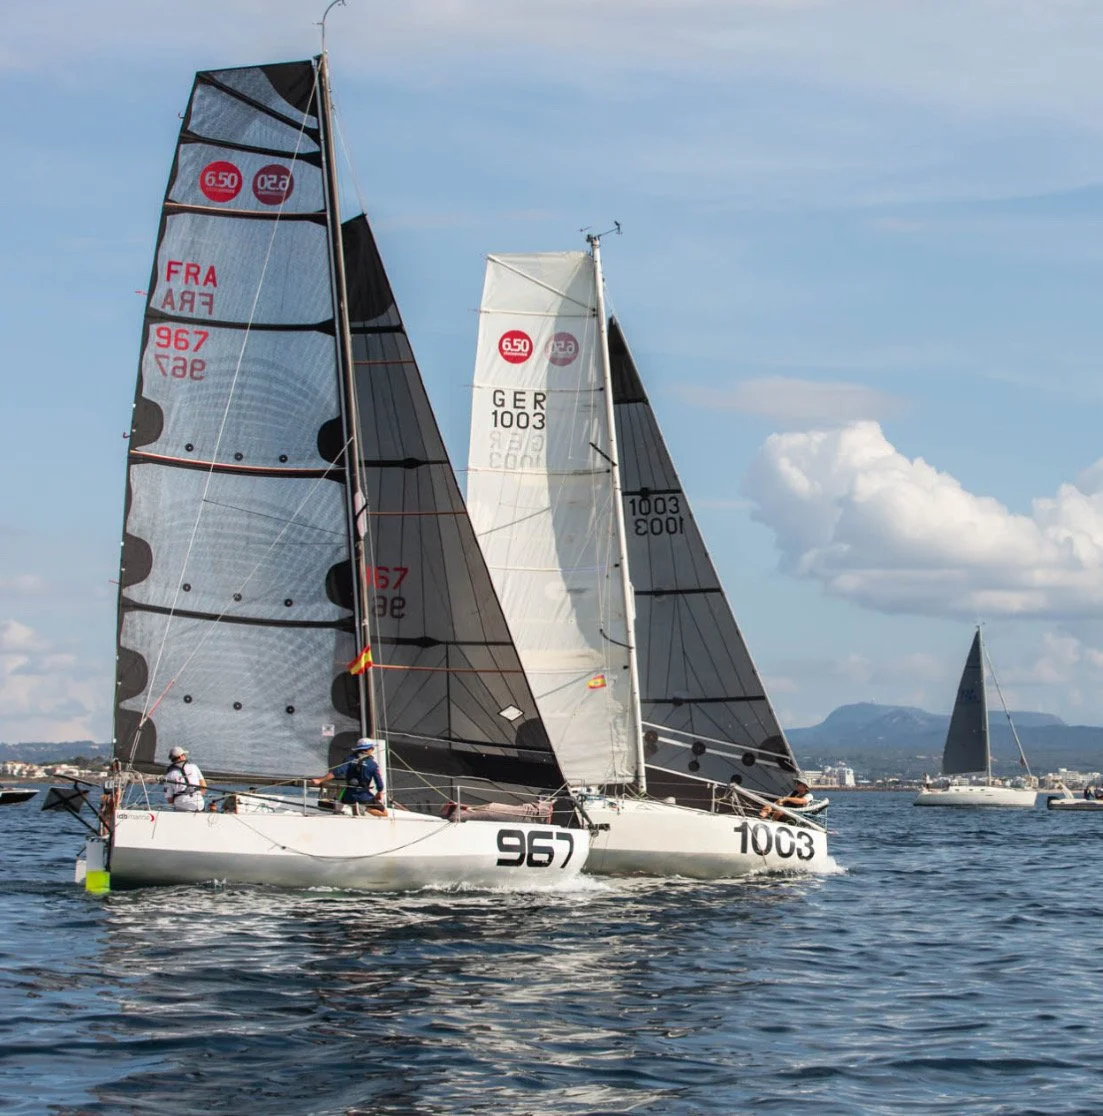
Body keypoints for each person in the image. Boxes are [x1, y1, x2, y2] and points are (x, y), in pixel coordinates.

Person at [312, 738, 386, 816]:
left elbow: (337, 772)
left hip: (348, 795)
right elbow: (379, 783)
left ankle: (355, 809)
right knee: (384, 813)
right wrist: (379, 791)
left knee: (352, 805)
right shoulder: (373, 765)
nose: (373, 750)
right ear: (368, 749)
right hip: (363, 795)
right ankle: (363, 808)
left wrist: (320, 780)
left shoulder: (349, 760)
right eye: (372, 748)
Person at [164, 745, 207, 812]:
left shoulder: (168, 775)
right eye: (184, 755)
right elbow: (204, 787)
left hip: (181, 804)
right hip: (198, 803)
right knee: (202, 805)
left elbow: (170, 799)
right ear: (181, 757)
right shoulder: (194, 767)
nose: (185, 757)